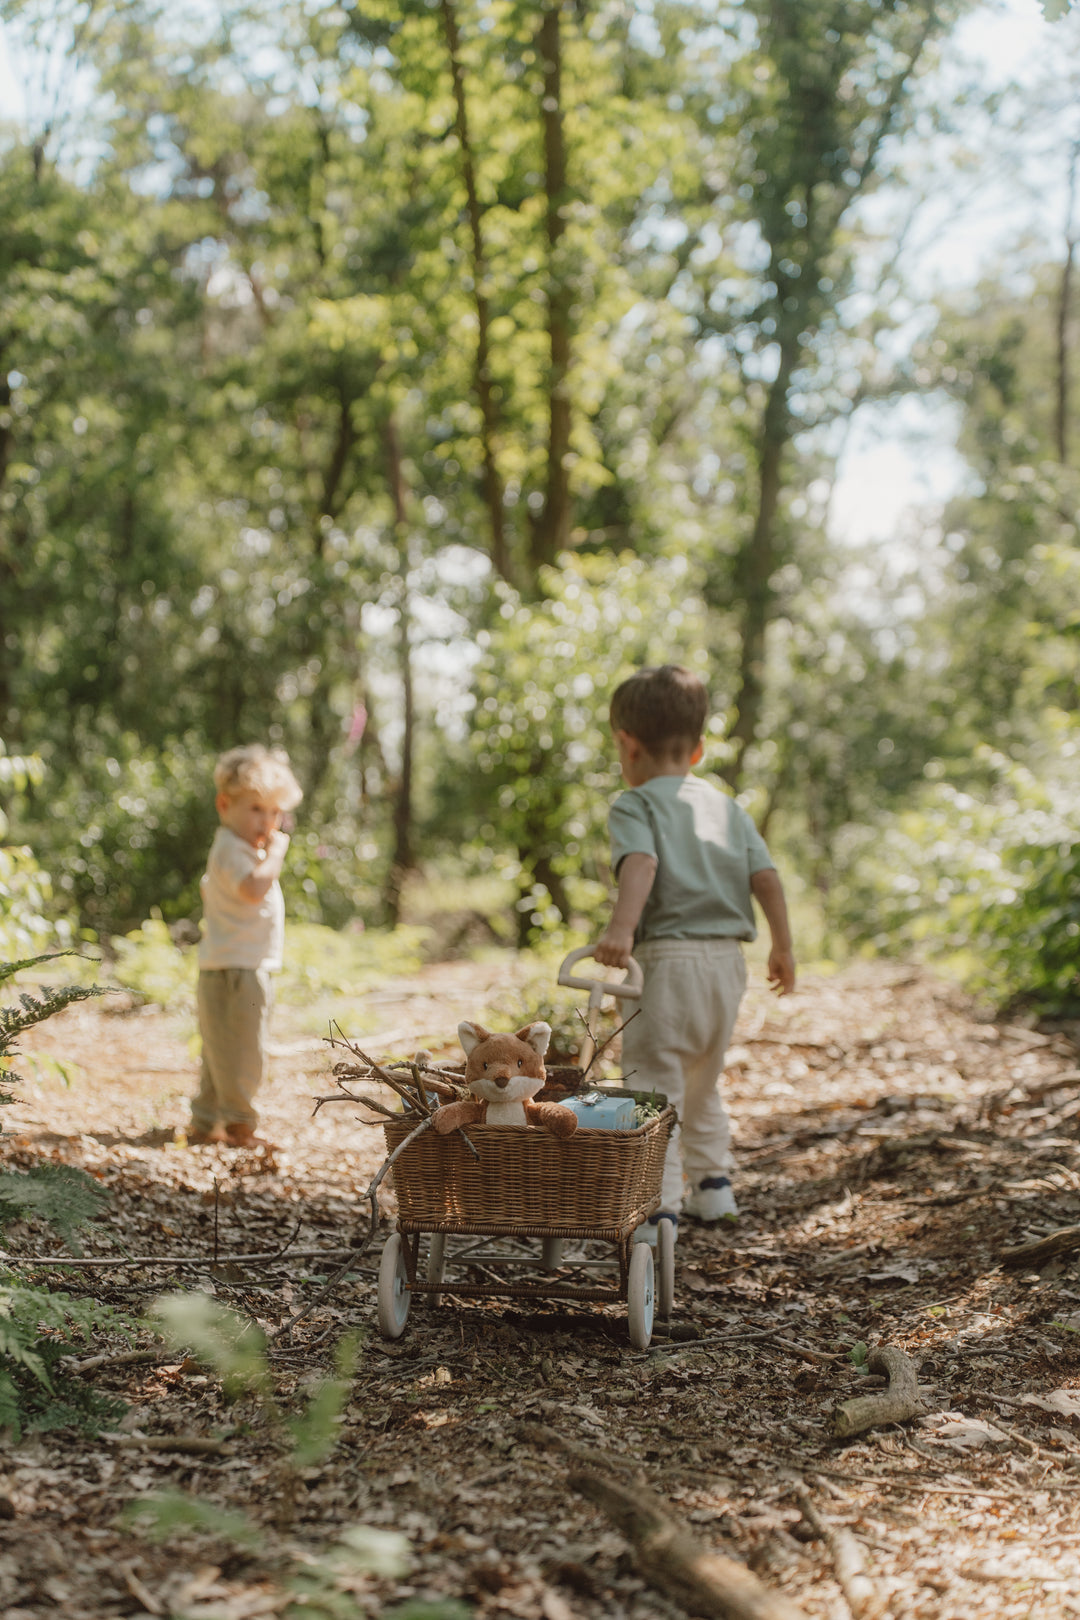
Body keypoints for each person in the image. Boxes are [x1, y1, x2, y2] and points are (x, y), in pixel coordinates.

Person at [593, 665, 795, 1237]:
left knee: (652, 1081)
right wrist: (782, 946)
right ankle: (714, 1189)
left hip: (667, 963)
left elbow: (642, 863)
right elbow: (767, 876)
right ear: (699, 749)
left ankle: (658, 1207)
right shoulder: (728, 808)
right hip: (728, 963)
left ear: (627, 745)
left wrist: (621, 930)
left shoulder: (635, 805)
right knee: (704, 1079)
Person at [187, 744, 303, 1147]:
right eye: (256, 809)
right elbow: (254, 889)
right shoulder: (231, 850)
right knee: (244, 1053)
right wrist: (275, 855)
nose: (267, 821)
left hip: (240, 964)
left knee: (222, 1050)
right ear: (224, 804)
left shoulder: (242, 849)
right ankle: (239, 1124)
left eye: (274, 812)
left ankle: (205, 1122)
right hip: (235, 969)